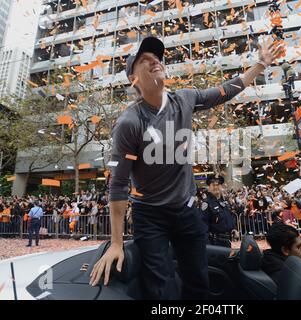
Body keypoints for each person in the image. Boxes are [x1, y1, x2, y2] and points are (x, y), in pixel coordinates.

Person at [89, 36, 283, 299]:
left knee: (198, 282)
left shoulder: (184, 99)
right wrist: (115, 243)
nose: (154, 61)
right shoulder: (130, 122)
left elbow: (226, 91)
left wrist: (260, 64)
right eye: (144, 60)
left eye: (156, 57)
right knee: (162, 289)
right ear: (132, 78)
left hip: (187, 211)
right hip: (150, 216)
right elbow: (119, 184)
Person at [201, 175, 239, 247]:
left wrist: (233, 228)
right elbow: (203, 227)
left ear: (221, 186)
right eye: (213, 185)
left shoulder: (224, 202)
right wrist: (207, 246)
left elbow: (229, 217)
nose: (216, 187)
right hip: (215, 243)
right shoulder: (206, 204)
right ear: (209, 187)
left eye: (218, 184)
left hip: (227, 241)